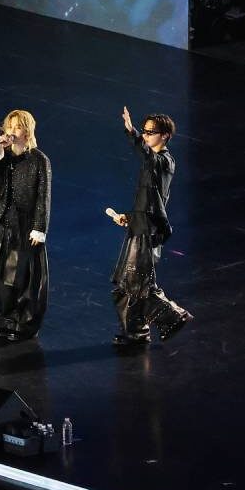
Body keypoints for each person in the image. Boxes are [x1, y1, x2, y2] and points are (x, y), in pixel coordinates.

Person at [109, 107, 192, 347]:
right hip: (141, 226)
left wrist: (131, 131)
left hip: (149, 231)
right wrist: (129, 217)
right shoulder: (152, 163)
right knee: (128, 286)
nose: (145, 135)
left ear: (165, 135)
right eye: (144, 131)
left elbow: (149, 157)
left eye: (150, 132)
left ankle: (174, 316)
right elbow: (147, 202)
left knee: (139, 285)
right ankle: (136, 333)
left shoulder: (164, 161)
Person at [0, 109, 53, 341]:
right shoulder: (2, 155)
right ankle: (9, 318)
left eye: (17, 127)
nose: (11, 132)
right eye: (9, 127)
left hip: (25, 224)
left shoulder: (39, 160)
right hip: (1, 221)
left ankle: (26, 323)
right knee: (3, 274)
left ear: (27, 131)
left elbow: (44, 196)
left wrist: (39, 227)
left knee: (24, 276)